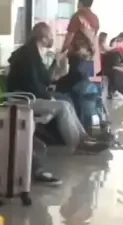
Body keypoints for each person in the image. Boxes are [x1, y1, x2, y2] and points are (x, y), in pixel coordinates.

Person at [7, 22, 109, 155]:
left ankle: (84, 138)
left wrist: (56, 61)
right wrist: (49, 97)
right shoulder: (28, 55)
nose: (52, 39)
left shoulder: (33, 53)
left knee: (66, 104)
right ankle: (78, 144)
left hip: (29, 95)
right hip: (22, 99)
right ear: (42, 38)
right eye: (50, 36)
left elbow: (45, 79)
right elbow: (33, 85)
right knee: (63, 107)